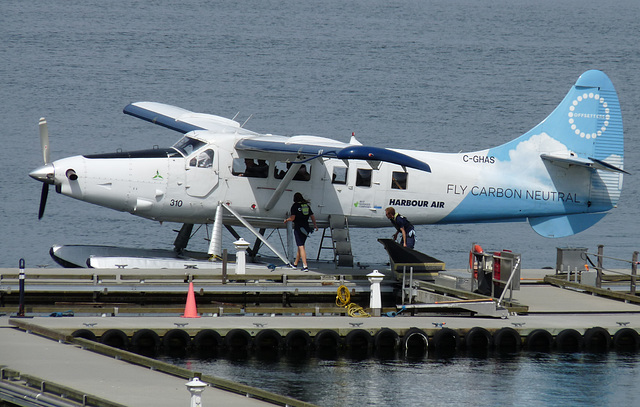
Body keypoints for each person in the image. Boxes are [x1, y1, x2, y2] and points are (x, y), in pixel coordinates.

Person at [284, 193, 318, 271]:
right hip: (306, 228)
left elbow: (292, 218)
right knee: (301, 246)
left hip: (299, 228)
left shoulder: (294, 206)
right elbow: (312, 216)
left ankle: (305, 266)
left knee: (301, 246)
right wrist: (315, 225)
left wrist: (287, 220)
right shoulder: (306, 206)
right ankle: (295, 264)